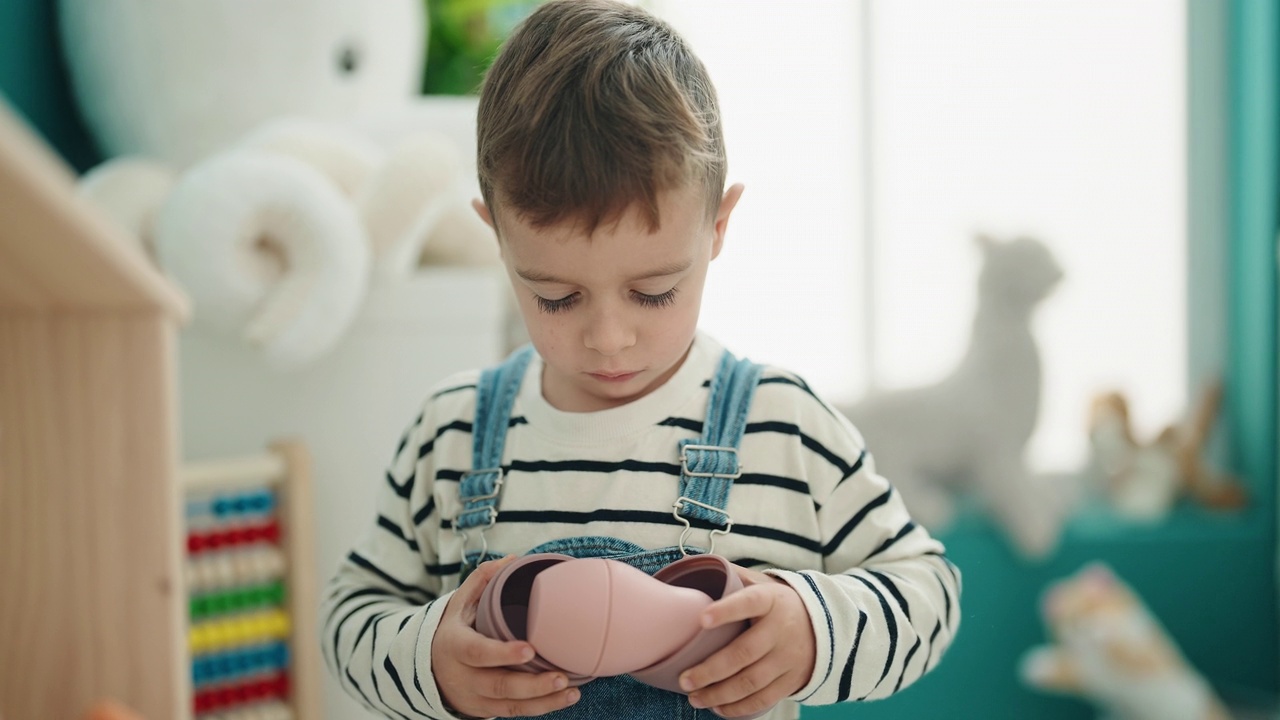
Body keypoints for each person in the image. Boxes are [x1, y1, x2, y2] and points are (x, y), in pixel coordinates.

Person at [320, 2, 961, 718]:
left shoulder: (786, 427)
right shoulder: (452, 433)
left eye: (653, 292)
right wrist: (428, 658)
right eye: (557, 296)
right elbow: (349, 616)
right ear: (495, 237)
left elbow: (928, 593)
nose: (608, 337)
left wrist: (813, 628)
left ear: (718, 226)